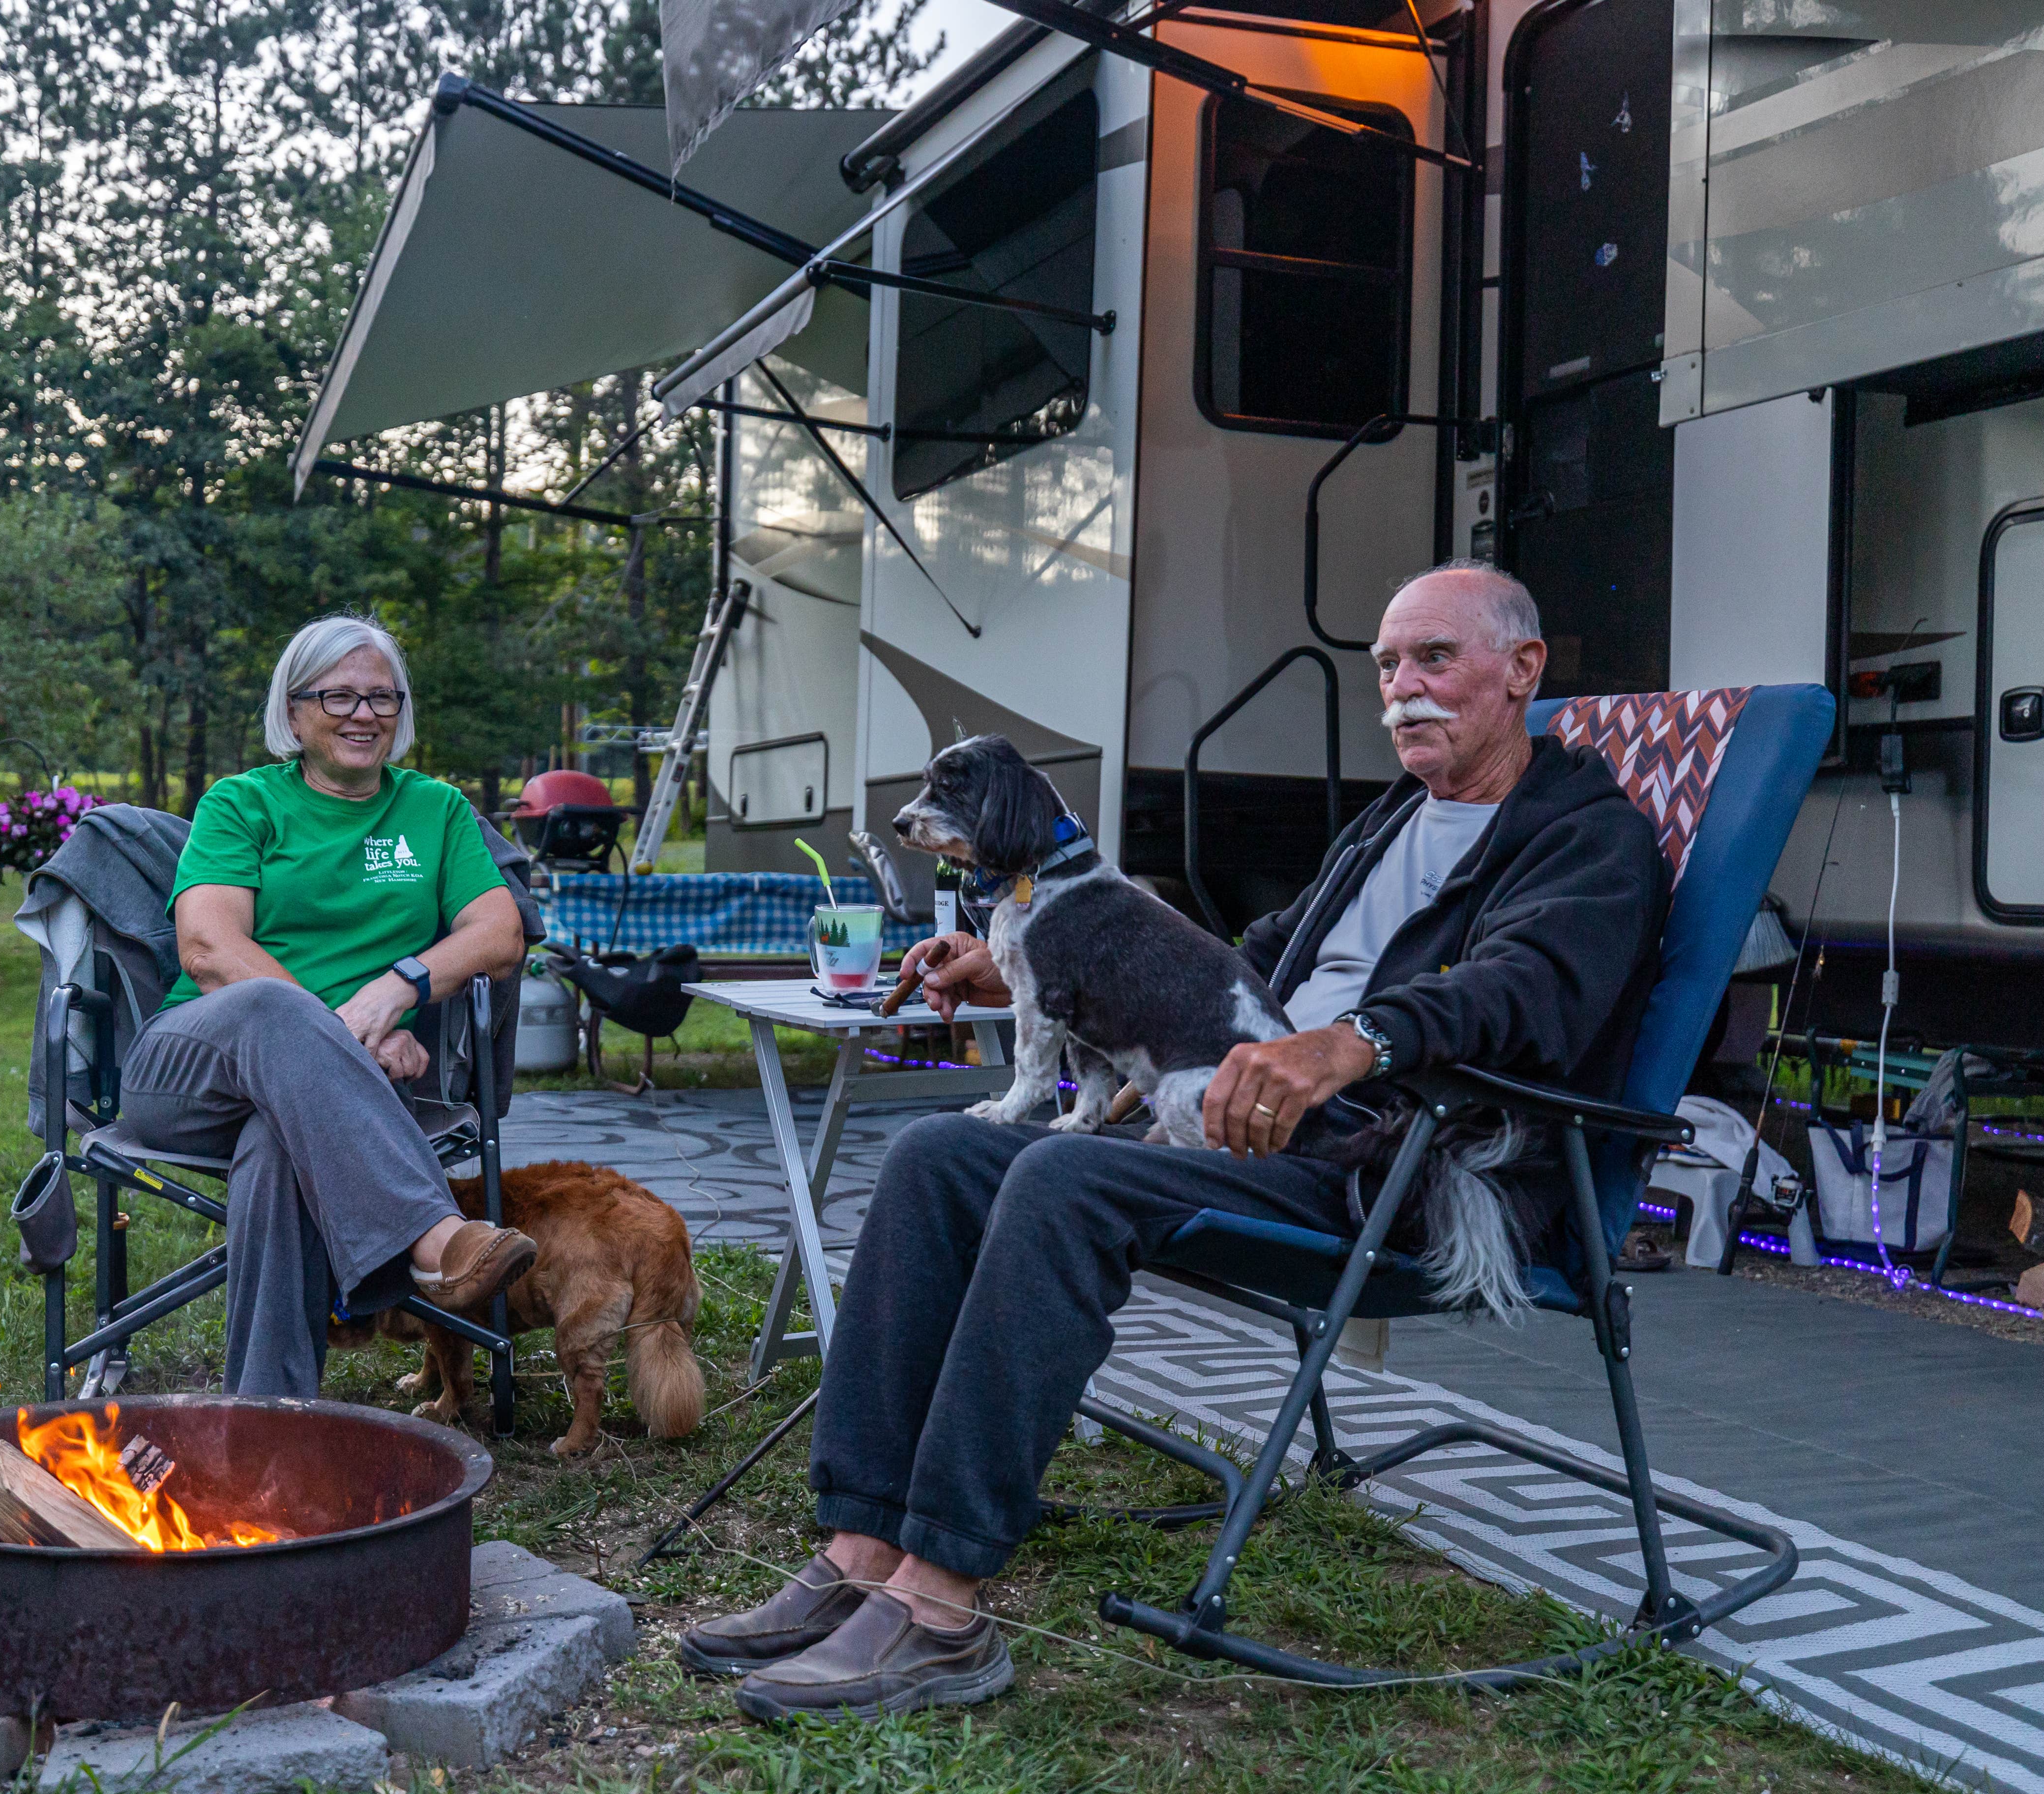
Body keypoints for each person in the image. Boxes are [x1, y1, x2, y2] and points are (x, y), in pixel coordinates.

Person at [680, 561, 1673, 1722]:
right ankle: (859, 1551)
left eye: (1435, 662)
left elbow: (1530, 994)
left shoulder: (1589, 841)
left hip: (1404, 1161)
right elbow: (1241, 961)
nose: (1402, 690)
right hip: (1258, 1118)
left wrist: (1348, 1045)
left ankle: (940, 1606)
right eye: (1389, 667)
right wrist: (1030, 962)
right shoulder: (1393, 817)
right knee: (937, 1156)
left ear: (1524, 671)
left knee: (1064, 1175)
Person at [118, 615, 536, 1398]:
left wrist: (400, 988)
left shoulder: (436, 812)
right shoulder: (241, 804)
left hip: (332, 1104)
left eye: (382, 696)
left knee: (279, 1148)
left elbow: (500, 932)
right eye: (339, 695)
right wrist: (346, 1034)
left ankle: (269, 1421)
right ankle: (436, 1238)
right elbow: (209, 949)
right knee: (274, 1008)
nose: (364, 713)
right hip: (191, 1069)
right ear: (295, 709)